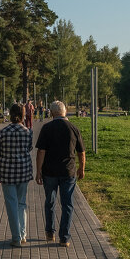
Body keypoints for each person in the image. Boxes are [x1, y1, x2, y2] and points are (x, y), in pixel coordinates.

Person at [35, 101, 86, 247]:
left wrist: (38, 171)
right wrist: (81, 168)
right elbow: (81, 152)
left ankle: (49, 232)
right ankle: (64, 238)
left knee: (49, 202)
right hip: (68, 172)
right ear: (65, 112)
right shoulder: (73, 128)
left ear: (51, 113)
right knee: (67, 204)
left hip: (49, 172)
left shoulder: (47, 128)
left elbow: (41, 152)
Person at [0, 103, 34, 247]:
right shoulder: (28, 131)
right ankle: (23, 235)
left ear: (10, 114)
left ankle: (16, 237)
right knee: (21, 203)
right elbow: (29, 148)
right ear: (23, 114)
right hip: (23, 171)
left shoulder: (3, 132)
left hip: (6, 172)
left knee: (11, 203)